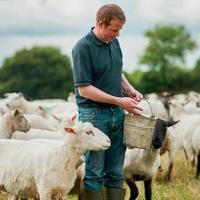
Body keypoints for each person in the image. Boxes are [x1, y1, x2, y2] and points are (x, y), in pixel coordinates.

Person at [72, 4, 143, 200]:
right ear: (100, 24)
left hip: (117, 113)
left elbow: (117, 71)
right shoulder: (82, 48)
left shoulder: (113, 43)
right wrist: (119, 100)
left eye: (120, 30)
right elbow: (84, 89)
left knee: (116, 171)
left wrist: (129, 89)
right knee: (95, 171)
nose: (118, 34)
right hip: (93, 115)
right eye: (114, 29)